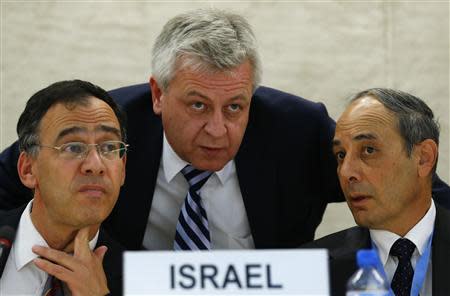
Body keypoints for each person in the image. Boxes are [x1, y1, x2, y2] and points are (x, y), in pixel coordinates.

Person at [0, 9, 449, 251]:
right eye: (197, 105)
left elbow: (419, 193)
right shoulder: (108, 128)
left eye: (235, 106)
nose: (218, 129)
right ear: (158, 94)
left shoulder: (296, 129)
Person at [304, 88, 450, 296]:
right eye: (341, 155)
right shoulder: (310, 269)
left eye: (368, 150)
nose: (346, 172)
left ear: (423, 158)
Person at [0, 80, 127, 295]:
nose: (95, 165)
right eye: (74, 147)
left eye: (108, 147)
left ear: (122, 169)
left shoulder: (145, 280)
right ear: (28, 169)